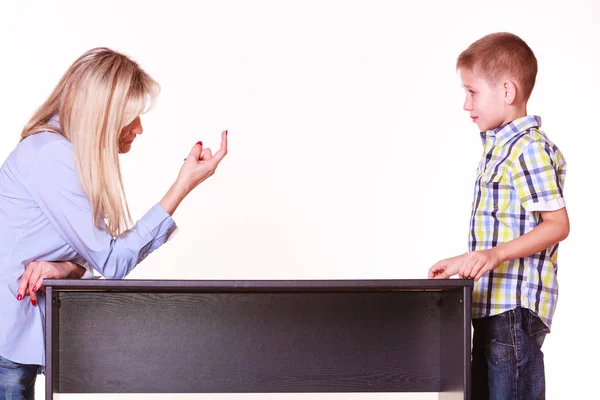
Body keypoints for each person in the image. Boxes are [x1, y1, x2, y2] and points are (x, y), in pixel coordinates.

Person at [0, 47, 227, 399]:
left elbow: (87, 257)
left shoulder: (61, 154)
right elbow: (112, 261)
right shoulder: (53, 157)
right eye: (131, 115)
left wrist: (66, 268)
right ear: (102, 114)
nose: (139, 128)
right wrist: (183, 185)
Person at [428, 32, 569, 399]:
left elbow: (557, 225)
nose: (465, 104)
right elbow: (503, 227)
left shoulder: (528, 148)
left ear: (507, 91)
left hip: (514, 311)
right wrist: (465, 260)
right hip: (491, 304)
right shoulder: (499, 149)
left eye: (472, 92)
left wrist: (494, 256)